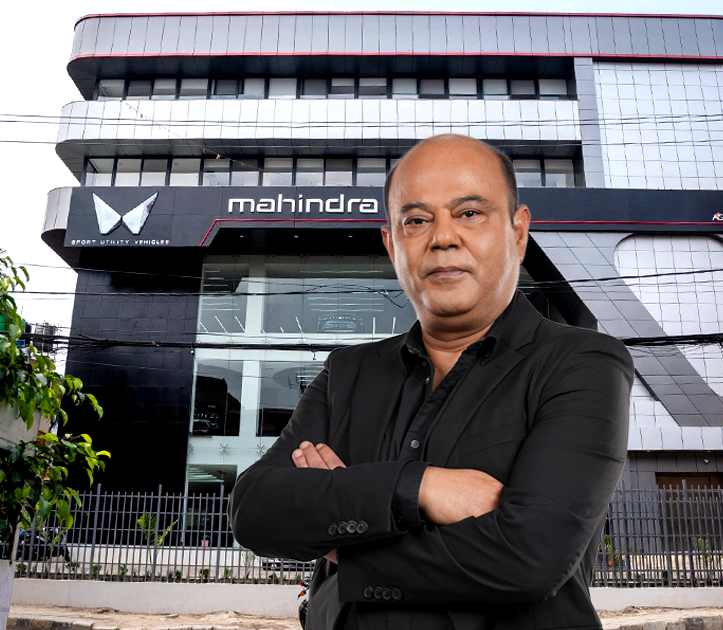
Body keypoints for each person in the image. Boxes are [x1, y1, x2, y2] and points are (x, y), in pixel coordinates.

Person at [230, 133, 633, 630]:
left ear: (518, 231)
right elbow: (255, 510)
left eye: (470, 213)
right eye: (417, 220)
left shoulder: (583, 363)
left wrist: (342, 536)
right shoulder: (347, 373)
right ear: (391, 243)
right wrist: (418, 486)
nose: (443, 237)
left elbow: (530, 557)